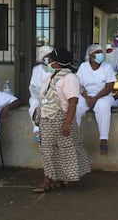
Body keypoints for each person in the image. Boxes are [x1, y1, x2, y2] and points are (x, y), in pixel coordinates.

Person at [33, 48, 91, 193]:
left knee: (64, 150)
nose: (48, 62)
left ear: (58, 62)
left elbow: (73, 102)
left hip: (61, 118)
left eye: (51, 60)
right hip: (47, 118)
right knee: (48, 150)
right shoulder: (50, 77)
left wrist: (67, 123)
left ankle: (52, 180)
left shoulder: (69, 78)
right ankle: (51, 178)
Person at [76, 44, 117, 155]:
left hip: (103, 95)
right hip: (86, 95)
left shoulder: (107, 67)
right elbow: (78, 84)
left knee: (102, 106)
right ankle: (73, 139)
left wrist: (95, 98)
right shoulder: (83, 67)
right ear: (90, 56)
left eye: (101, 52)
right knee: (76, 106)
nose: (100, 55)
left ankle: (103, 140)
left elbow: (109, 86)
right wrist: (86, 97)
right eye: (97, 52)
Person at [28, 46, 54, 143]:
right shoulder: (36, 69)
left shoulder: (56, 68)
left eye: (50, 56)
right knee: (33, 106)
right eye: (45, 56)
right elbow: (33, 87)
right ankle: (38, 131)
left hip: (53, 97)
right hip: (38, 97)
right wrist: (40, 98)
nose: (48, 58)